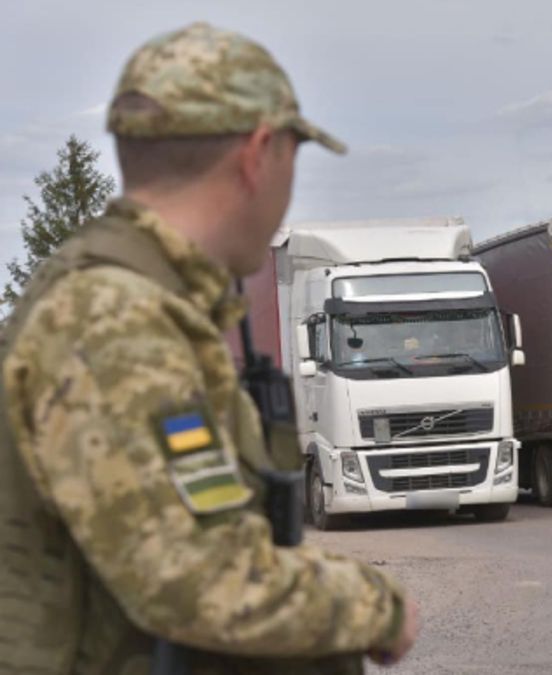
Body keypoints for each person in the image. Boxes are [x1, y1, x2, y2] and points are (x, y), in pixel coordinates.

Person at [0, 23, 417, 674]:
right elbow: (199, 579)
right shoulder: (115, 319)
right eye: (292, 156)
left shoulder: (138, 304)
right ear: (257, 155)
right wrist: (376, 604)